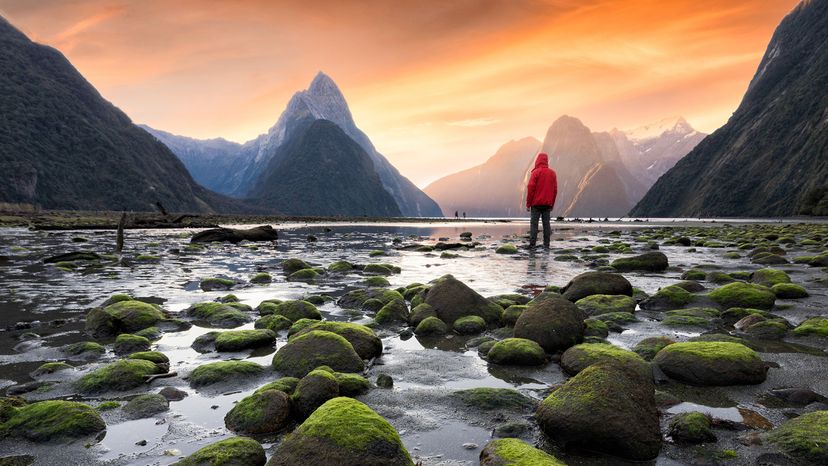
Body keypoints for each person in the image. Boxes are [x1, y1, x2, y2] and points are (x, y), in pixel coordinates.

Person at [525, 152, 557, 249]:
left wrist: (528, 204)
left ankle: (532, 245)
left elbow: (530, 188)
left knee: (534, 224)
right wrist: (552, 204)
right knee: (546, 224)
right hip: (547, 204)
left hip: (536, 204)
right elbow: (555, 190)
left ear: (537, 160)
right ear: (546, 161)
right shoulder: (552, 173)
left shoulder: (535, 173)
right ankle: (546, 245)